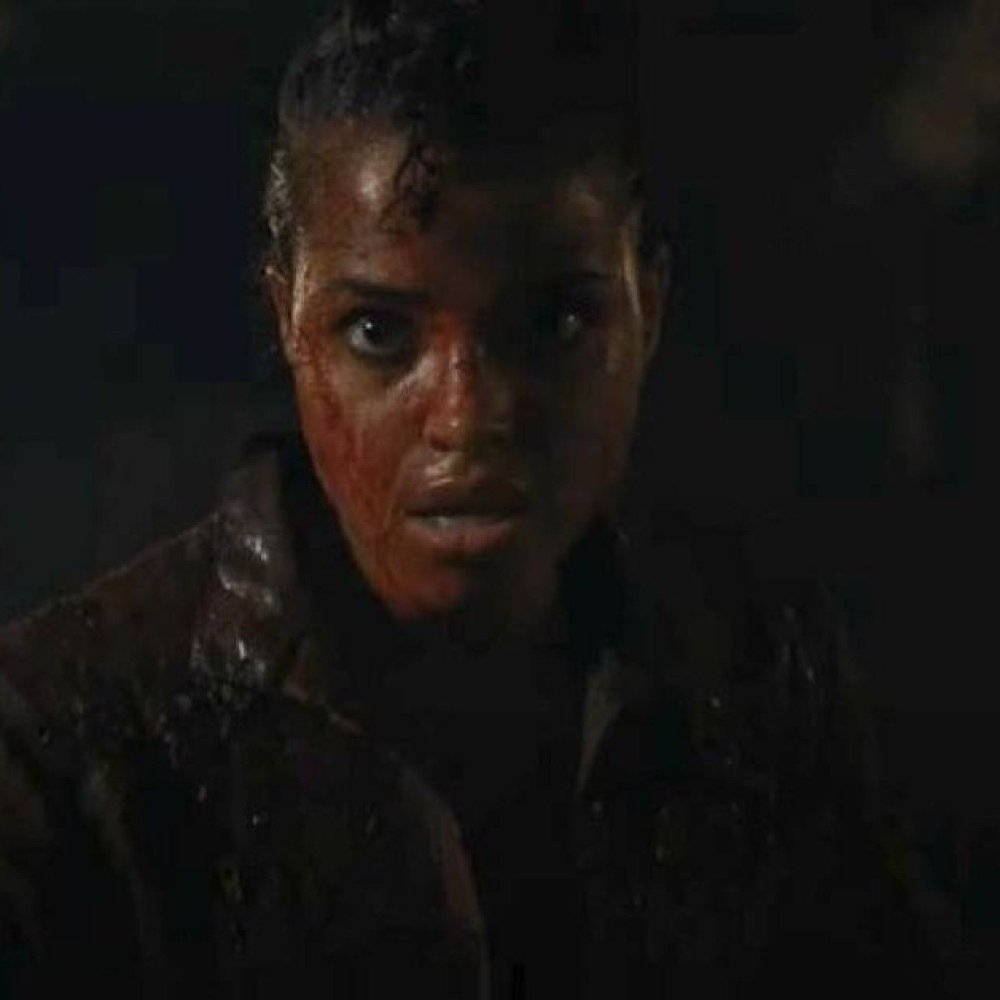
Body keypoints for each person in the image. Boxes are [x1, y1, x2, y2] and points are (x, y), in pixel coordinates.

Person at [0, 1, 947, 997]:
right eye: (379, 332)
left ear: (650, 311)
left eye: (555, 322)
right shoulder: (61, 744)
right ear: (288, 320)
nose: (469, 415)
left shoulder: (755, 672)